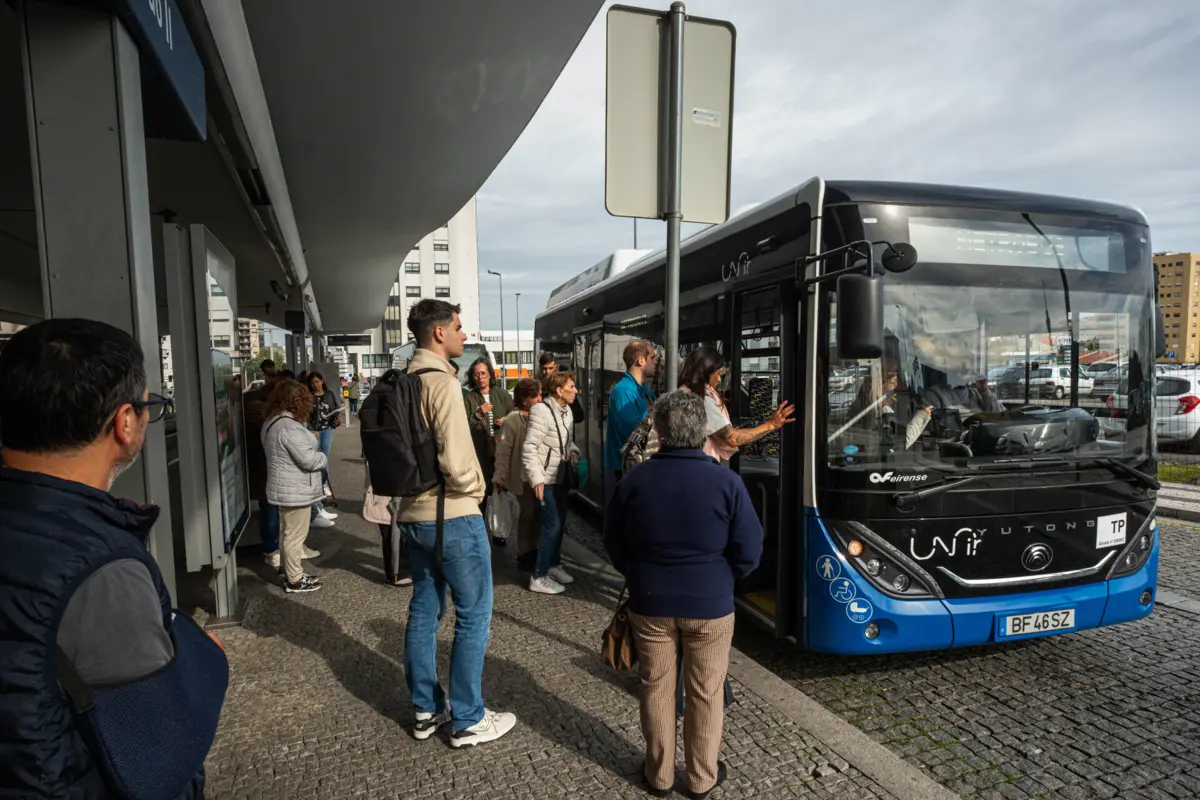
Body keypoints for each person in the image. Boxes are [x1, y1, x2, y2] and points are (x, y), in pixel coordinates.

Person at [0, 318, 227, 798]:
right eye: (149, 406)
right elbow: (160, 752)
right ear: (124, 422)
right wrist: (201, 657)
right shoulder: (101, 566)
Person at [604, 390, 763, 799]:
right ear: (702, 432)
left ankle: (658, 776)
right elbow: (749, 550)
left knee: (656, 687)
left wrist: (641, 574)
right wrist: (724, 580)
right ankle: (701, 778)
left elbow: (614, 543)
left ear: (658, 430)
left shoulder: (634, 480)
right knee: (706, 692)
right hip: (710, 605)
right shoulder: (727, 482)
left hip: (651, 602)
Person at [398, 299, 516, 747]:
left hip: (413, 515)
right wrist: (478, 488)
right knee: (474, 615)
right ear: (439, 333)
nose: (464, 336)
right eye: (459, 328)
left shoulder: (403, 381)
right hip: (453, 514)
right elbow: (456, 458)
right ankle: (467, 717)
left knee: (424, 611)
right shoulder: (443, 384)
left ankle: (425, 709)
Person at [262, 380, 327, 594]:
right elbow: (308, 460)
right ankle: (295, 579)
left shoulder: (272, 421)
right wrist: (322, 456)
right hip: (295, 489)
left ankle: (287, 570)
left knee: (287, 532)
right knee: (295, 535)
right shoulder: (289, 427)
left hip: (283, 485)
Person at [678, 347, 794, 463]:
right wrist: (771, 424)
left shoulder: (684, 392)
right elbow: (732, 439)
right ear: (705, 372)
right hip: (702, 465)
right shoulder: (703, 400)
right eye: (718, 374)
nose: (719, 379)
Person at [522, 370, 581, 595]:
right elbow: (529, 448)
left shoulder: (567, 412)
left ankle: (553, 566)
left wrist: (573, 451)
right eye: (571, 386)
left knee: (561, 522)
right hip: (544, 479)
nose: (575, 391)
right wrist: (536, 479)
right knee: (552, 524)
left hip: (561, 476)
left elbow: (566, 441)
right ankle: (538, 576)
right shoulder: (540, 411)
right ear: (559, 390)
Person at [492, 377, 542, 572]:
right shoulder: (513, 419)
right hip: (521, 476)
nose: (539, 399)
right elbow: (504, 450)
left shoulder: (540, 415)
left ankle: (534, 548)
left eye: (540, 395)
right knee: (528, 512)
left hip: (539, 474)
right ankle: (524, 552)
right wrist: (500, 477)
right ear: (524, 399)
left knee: (538, 514)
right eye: (535, 396)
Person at [464, 357, 514, 541]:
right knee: (483, 490)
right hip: (479, 452)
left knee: (500, 488)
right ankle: (480, 531)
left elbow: (515, 417)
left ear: (490, 375)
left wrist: (506, 421)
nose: (480, 377)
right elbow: (463, 425)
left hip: (501, 450)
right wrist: (478, 414)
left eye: (483, 373)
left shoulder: (502, 394)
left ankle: (499, 531)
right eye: (476, 374)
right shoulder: (469, 398)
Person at [603, 342, 658, 502]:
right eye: (652, 358)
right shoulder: (624, 391)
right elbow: (633, 432)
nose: (656, 362)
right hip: (625, 467)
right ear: (640, 361)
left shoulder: (643, 390)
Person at [244, 371, 284, 567]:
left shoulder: (262, 408)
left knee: (271, 508)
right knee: (269, 508)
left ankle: (273, 547)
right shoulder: (258, 410)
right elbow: (274, 436)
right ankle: (270, 549)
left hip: (268, 467)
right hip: (264, 468)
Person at [306, 371, 340, 529]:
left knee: (324, 457)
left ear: (322, 381)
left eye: (317, 381)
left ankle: (323, 485)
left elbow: (335, 408)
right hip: (314, 430)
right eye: (312, 382)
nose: (315, 385)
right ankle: (322, 485)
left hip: (327, 430)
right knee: (317, 459)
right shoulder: (308, 396)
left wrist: (336, 417)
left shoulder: (329, 394)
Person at [540, 352, 584, 423]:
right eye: (544, 368)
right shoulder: (538, 388)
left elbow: (578, 416)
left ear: (556, 367)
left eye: (550, 368)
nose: (547, 372)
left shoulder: (565, 385)